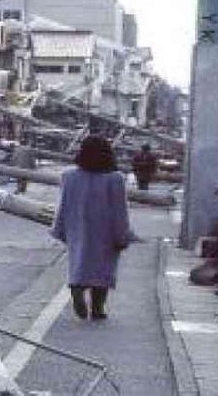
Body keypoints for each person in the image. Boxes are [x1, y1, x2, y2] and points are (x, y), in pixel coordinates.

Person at [51, 135, 136, 320]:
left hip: (77, 228)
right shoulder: (115, 179)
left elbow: (63, 205)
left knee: (78, 262)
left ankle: (76, 288)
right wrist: (122, 235)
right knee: (103, 268)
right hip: (105, 231)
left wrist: (59, 229)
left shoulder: (69, 176)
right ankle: (98, 306)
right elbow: (120, 211)